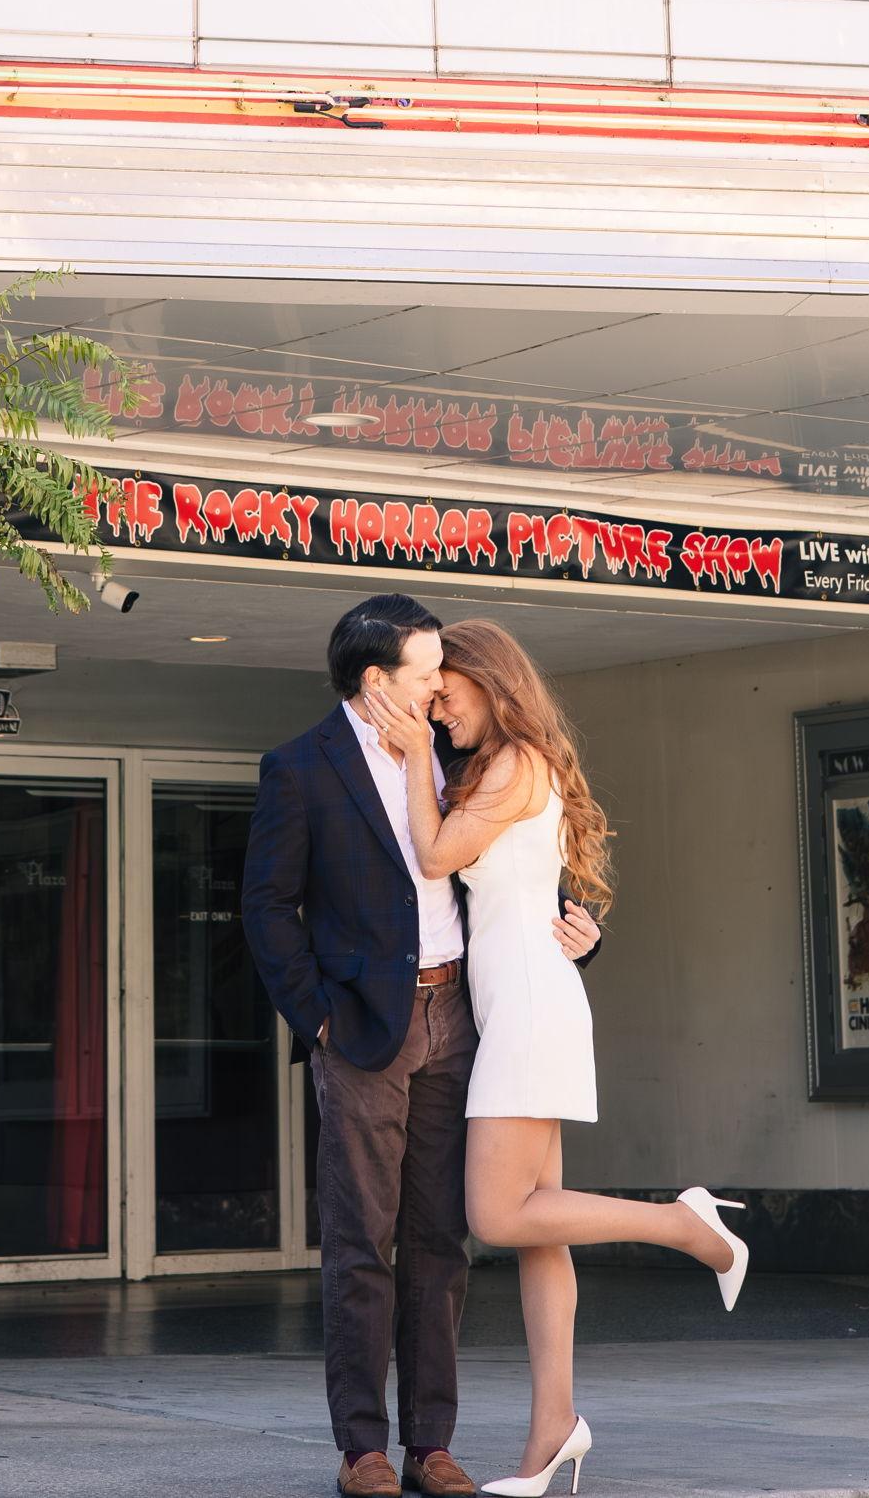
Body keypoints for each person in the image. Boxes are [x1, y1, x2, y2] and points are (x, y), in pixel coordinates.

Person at [359, 618, 746, 1498]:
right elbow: (532, 892)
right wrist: (586, 934)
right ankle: (553, 1432)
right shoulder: (494, 766)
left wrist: (415, 753)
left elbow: (435, 852)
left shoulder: (517, 763)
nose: (437, 711)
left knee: (498, 1216)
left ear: (490, 683)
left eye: (445, 695)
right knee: (543, 1237)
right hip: (520, 1004)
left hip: (530, 1008)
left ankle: (687, 1226)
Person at [242, 595, 605, 1498]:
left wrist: (587, 926)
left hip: (467, 1017)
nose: (441, 688)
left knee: (443, 1239)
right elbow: (266, 907)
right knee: (361, 1238)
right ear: (376, 682)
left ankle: (430, 1444)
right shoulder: (300, 766)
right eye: (423, 674)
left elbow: (540, 867)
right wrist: (316, 1016)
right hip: (364, 1025)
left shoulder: (460, 751)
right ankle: (363, 1446)